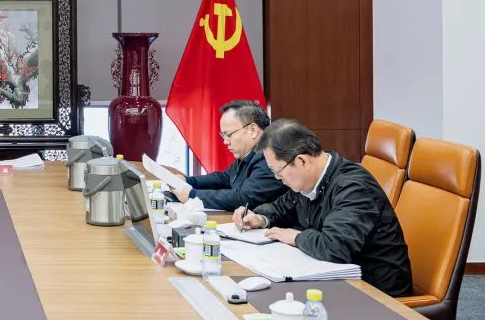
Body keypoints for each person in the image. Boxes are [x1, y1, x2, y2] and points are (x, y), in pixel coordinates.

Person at [233, 118, 411, 298]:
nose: (277, 178)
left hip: (377, 295)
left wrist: (297, 237)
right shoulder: (310, 180)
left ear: (302, 161)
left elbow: (335, 247)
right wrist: (260, 218)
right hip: (336, 280)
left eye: (278, 171)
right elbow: (283, 206)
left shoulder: (353, 187)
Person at [170, 100, 287, 211]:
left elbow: (243, 198)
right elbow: (225, 178)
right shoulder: (248, 154)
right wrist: (189, 181)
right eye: (223, 136)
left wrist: (192, 195)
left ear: (252, 130)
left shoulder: (270, 156)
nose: (225, 142)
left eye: (229, 135)